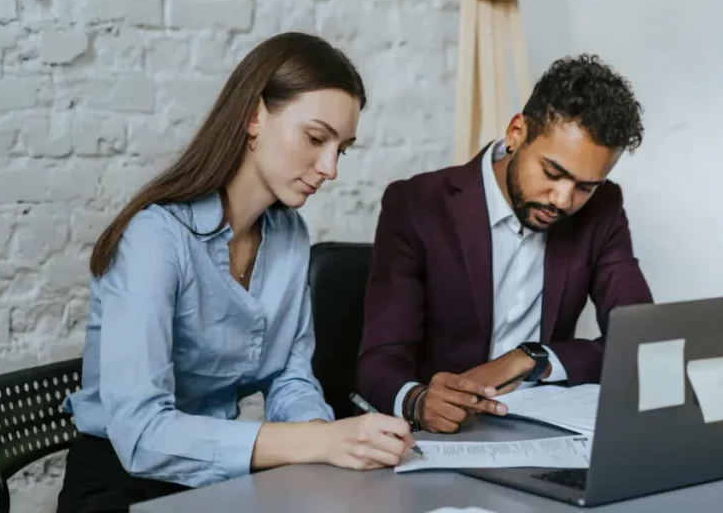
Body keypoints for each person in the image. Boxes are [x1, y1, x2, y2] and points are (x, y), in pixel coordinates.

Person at [56, 32, 416, 512]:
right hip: (121, 484)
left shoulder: (289, 235)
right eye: (315, 138)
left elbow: (291, 375)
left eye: (341, 149)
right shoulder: (154, 239)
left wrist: (327, 436)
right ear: (253, 116)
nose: (330, 167)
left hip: (216, 481)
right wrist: (319, 444)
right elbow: (142, 437)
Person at [356, 54, 655, 433]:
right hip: (442, 436)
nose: (563, 200)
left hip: (542, 428)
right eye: (552, 172)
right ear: (516, 132)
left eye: (585, 186)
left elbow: (641, 338)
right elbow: (378, 360)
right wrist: (417, 401)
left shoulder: (603, 209)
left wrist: (533, 358)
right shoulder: (417, 204)